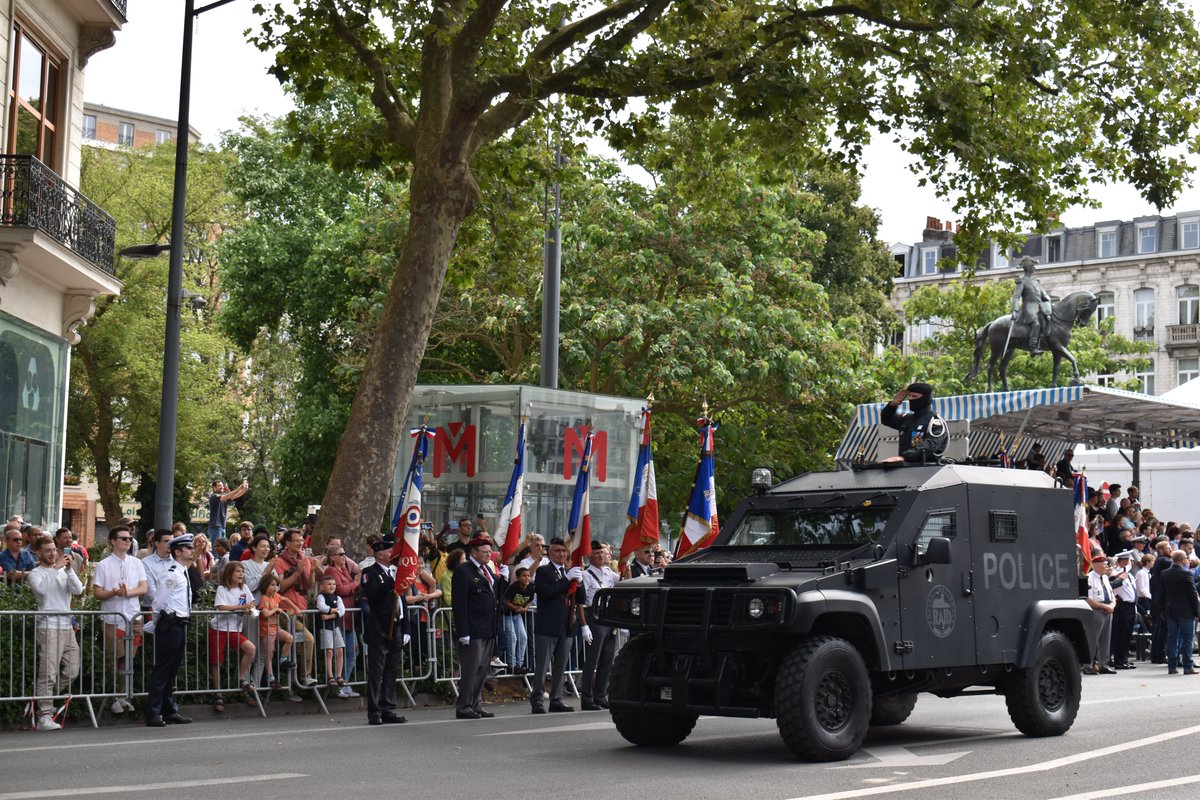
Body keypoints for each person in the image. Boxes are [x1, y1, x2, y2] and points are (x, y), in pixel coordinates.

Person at [28, 534, 83, 731]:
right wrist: (58, 567)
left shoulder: (62, 571)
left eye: (54, 550)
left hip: (66, 627)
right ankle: (44, 715)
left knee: (72, 671)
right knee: (48, 673)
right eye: (48, 551)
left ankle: (43, 699)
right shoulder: (36, 573)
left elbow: (78, 590)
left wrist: (68, 570)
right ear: (39, 552)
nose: (52, 554)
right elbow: (42, 591)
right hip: (48, 626)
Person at [92, 525, 147, 714]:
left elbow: (144, 588)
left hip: (134, 618)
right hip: (113, 618)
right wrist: (113, 592)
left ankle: (123, 696)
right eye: (123, 538)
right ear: (113, 541)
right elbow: (97, 592)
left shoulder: (137, 563)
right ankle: (114, 696)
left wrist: (127, 593)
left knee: (129, 658)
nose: (128, 541)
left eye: (129, 538)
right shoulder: (104, 565)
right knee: (114, 658)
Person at [145, 533, 196, 727]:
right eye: (188, 548)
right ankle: (154, 712)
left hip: (180, 624)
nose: (192, 550)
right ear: (178, 551)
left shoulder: (182, 571)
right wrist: (158, 624)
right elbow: (159, 601)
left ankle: (169, 710)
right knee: (163, 670)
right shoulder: (172, 572)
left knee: (171, 670)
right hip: (170, 625)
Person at [452, 536, 503, 719]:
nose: (489, 555)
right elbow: (459, 603)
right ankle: (464, 705)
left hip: (487, 627)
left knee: (482, 669)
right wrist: (463, 631)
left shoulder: (487, 571)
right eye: (485, 552)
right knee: (470, 669)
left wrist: (501, 580)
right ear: (474, 552)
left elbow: (494, 599)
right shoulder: (464, 571)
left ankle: (476, 703)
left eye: (490, 552)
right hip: (472, 629)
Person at [361, 539, 410, 725]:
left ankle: (388, 708)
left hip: (396, 627)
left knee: (391, 671)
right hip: (379, 628)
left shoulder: (397, 573)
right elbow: (373, 594)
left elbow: (402, 603)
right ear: (380, 554)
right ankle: (374, 711)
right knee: (377, 673)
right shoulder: (369, 572)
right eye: (391, 552)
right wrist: (392, 581)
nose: (394, 555)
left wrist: (406, 628)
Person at [531, 537, 583, 713]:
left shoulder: (568, 572)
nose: (561, 554)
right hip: (548, 625)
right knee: (543, 665)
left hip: (566, 625)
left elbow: (580, 599)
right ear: (550, 553)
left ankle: (556, 699)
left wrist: (579, 582)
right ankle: (537, 700)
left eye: (563, 551)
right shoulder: (544, 571)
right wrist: (567, 579)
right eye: (557, 551)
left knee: (561, 665)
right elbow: (546, 593)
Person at [209, 562, 257, 711]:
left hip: (235, 629)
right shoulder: (222, 589)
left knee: (250, 649)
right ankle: (218, 694)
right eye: (238, 571)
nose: (241, 574)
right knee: (217, 662)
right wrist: (241, 607)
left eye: (242, 571)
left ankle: (240, 679)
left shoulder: (244, 588)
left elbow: (252, 601)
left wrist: (250, 608)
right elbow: (221, 607)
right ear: (230, 573)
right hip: (219, 629)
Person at [274, 528, 319, 687]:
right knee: (308, 639)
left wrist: (312, 570)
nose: (301, 543)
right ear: (287, 543)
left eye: (301, 540)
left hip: (302, 608)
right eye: (297, 540)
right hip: (287, 610)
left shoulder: (304, 559)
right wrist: (297, 571)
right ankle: (305, 676)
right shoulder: (279, 561)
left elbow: (309, 584)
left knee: (299, 646)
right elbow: (281, 587)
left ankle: (290, 686)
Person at [579, 540, 618, 710]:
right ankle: (587, 698)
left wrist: (626, 564)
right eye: (596, 553)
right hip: (594, 617)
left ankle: (600, 696)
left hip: (609, 618)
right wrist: (584, 625)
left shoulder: (609, 573)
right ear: (590, 555)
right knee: (592, 661)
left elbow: (625, 581)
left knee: (607, 660)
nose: (601, 555)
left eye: (602, 552)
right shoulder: (586, 575)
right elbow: (580, 602)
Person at [323, 545, 361, 697]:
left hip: (349, 617)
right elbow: (341, 590)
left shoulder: (344, 569)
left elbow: (348, 588)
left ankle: (344, 682)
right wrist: (355, 584)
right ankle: (339, 683)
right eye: (341, 554)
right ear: (332, 557)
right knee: (340, 650)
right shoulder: (331, 571)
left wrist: (352, 585)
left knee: (353, 650)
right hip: (339, 617)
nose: (344, 556)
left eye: (345, 553)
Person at [880, 382, 946, 463]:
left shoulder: (935, 422)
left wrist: (904, 457)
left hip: (927, 468)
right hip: (906, 468)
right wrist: (893, 404)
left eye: (914, 396)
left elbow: (930, 445)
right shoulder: (907, 419)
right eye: (910, 396)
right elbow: (886, 419)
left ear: (925, 398)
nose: (911, 399)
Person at [257, 573, 298, 700]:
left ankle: (283, 659)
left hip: (275, 628)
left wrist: (296, 608)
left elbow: (285, 599)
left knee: (289, 638)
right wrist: (276, 610)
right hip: (267, 631)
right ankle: (271, 678)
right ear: (265, 586)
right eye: (272, 585)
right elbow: (265, 613)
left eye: (276, 585)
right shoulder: (264, 599)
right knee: (269, 655)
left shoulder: (276, 596)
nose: (275, 588)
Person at [1161, 550, 1200, 675]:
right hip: (1185, 610)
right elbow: (1193, 594)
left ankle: (1172, 666)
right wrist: (1196, 611)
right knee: (1188, 638)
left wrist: (1162, 609)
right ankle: (1188, 666)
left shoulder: (1165, 573)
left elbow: (1162, 594)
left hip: (1170, 610)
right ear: (1182, 559)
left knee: (1172, 638)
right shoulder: (1186, 573)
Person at [1011, 255, 1052, 355]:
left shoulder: (1036, 282)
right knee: (1036, 323)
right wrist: (1015, 310)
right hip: (1028, 307)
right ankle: (1033, 348)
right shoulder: (1022, 281)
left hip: (1039, 306)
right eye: (1032, 266)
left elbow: (1044, 296)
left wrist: (1049, 304)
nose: (1034, 268)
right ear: (1028, 267)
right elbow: (1016, 296)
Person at [1084, 552, 1116, 675]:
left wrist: (1112, 605)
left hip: (1108, 609)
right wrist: (1104, 606)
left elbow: (1112, 595)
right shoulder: (1089, 578)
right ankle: (1088, 665)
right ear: (1096, 565)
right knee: (1093, 638)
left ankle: (1104, 664)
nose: (1107, 567)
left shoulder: (1105, 578)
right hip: (1096, 610)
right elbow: (1088, 599)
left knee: (1105, 639)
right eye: (1104, 564)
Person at [315, 574, 348, 691]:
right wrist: (334, 610)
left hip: (335, 626)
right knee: (329, 651)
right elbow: (322, 607)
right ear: (322, 586)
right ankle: (330, 676)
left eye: (333, 584)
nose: (332, 586)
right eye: (329, 584)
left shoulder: (337, 598)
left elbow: (342, 610)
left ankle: (339, 675)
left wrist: (330, 616)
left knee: (340, 650)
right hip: (325, 628)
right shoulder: (321, 597)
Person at [502, 566, 534, 673]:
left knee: (523, 637)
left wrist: (525, 608)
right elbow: (506, 601)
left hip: (517, 615)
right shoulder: (513, 587)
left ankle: (520, 664)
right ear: (518, 577)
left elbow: (530, 600)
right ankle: (512, 665)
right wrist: (516, 608)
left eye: (528, 576)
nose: (527, 578)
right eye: (524, 576)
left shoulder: (530, 587)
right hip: (507, 615)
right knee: (513, 637)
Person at [1109, 551, 1137, 670]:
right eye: (1129, 560)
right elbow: (1113, 587)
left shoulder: (1129, 575)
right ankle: (1119, 660)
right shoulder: (1116, 574)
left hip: (1131, 606)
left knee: (1127, 634)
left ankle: (1124, 658)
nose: (1131, 563)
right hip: (1122, 606)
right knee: (1121, 634)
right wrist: (1118, 577)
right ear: (1123, 561)